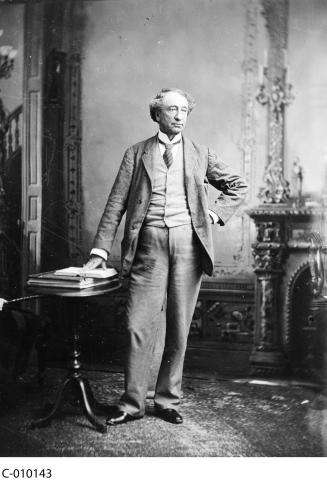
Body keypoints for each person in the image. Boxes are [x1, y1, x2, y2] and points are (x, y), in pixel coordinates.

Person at [84, 88, 248, 425]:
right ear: (156, 113)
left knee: (179, 325)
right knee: (136, 324)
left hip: (188, 246)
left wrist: (213, 216)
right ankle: (131, 403)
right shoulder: (136, 153)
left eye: (184, 110)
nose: (178, 115)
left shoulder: (201, 153)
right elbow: (116, 203)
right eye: (171, 109)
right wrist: (100, 251)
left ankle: (167, 399)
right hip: (149, 245)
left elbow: (237, 186)